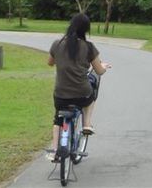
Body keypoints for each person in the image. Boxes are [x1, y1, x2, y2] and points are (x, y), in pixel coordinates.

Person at [47, 13, 111, 160]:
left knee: (58, 120)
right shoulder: (88, 47)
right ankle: (87, 124)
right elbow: (99, 71)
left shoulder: (57, 44)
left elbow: (50, 62)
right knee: (92, 90)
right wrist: (103, 66)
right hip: (82, 95)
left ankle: (55, 150)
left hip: (60, 95)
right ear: (86, 30)